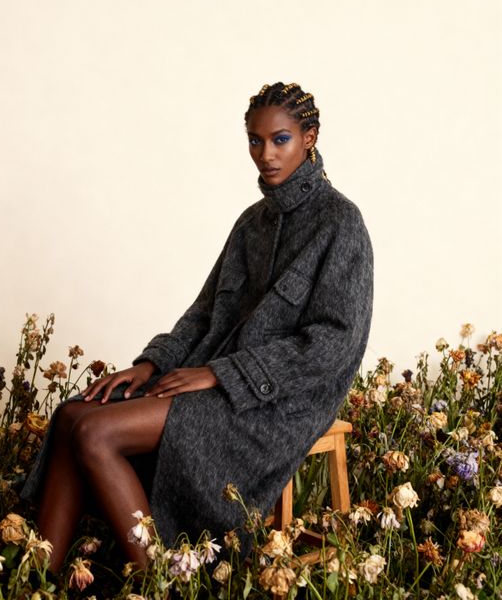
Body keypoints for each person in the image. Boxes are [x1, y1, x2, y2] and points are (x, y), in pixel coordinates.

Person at [21, 81, 374, 572]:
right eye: (255, 140)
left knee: (95, 435)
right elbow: (204, 313)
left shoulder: (341, 223)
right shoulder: (251, 223)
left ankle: (160, 582)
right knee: (71, 416)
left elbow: (334, 343)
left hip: (279, 403)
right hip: (214, 381)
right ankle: (38, 580)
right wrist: (151, 364)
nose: (265, 154)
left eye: (281, 139)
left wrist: (224, 373)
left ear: (309, 137)